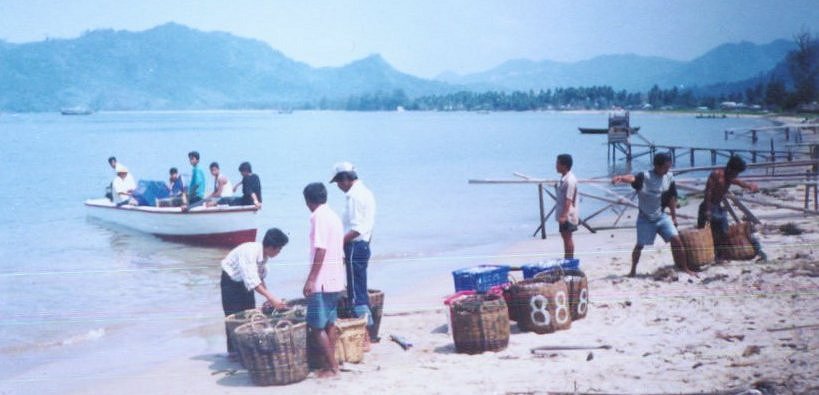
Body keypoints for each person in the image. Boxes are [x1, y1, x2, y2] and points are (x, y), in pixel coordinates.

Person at [612, 153, 695, 277]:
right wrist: (621, 178)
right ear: (657, 166)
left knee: (676, 240)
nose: (667, 170)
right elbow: (632, 178)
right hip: (645, 218)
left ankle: (685, 268)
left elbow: (672, 197)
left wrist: (673, 216)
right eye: (665, 167)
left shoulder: (669, 177)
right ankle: (632, 270)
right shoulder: (645, 176)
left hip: (661, 216)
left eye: (669, 167)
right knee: (639, 245)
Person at [220, 228, 289, 356]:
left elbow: (259, 278)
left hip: (244, 281)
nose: (279, 252)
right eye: (279, 249)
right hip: (230, 281)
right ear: (270, 247)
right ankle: (233, 353)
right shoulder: (250, 252)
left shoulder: (264, 256)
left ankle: (246, 350)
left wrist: (269, 298)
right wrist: (272, 298)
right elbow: (252, 282)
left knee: (249, 313)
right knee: (233, 317)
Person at [331, 162, 377, 344]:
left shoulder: (355, 196)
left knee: (356, 292)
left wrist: (338, 243)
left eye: (338, 182)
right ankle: (368, 332)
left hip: (355, 245)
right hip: (362, 245)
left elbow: (357, 229)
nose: (338, 186)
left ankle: (365, 335)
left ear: (345, 179)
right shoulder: (365, 192)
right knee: (359, 288)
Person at [302, 182, 345, 378]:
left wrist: (311, 280)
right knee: (329, 323)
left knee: (316, 326)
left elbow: (320, 249)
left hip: (322, 280)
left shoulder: (318, 216)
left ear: (309, 201)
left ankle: (333, 367)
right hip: (335, 277)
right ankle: (331, 364)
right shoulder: (334, 216)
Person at [697, 155, 759, 260]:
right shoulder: (716, 174)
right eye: (735, 172)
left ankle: (720, 255)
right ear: (730, 169)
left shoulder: (730, 177)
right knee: (704, 233)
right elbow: (708, 192)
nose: (736, 175)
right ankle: (705, 255)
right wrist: (707, 210)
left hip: (717, 207)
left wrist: (749, 186)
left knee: (723, 232)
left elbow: (739, 182)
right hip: (707, 206)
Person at [555, 154, 579, 259]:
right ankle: (567, 259)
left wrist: (564, 216)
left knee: (568, 238)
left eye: (558, 163)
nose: (556, 166)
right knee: (565, 237)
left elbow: (568, 200)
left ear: (564, 166)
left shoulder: (570, 180)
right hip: (564, 213)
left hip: (568, 214)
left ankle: (570, 260)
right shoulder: (564, 179)